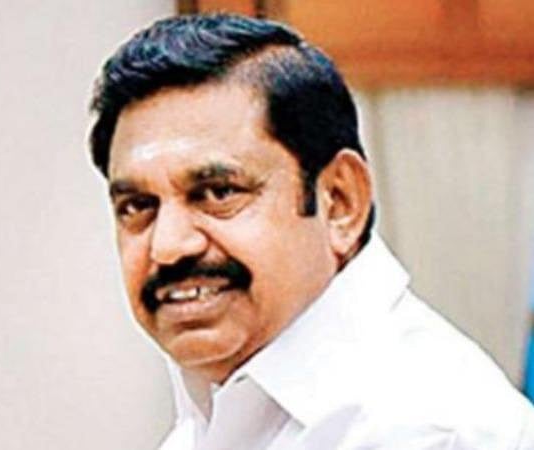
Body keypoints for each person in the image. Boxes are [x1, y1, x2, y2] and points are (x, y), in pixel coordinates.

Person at [88, 13, 534, 450]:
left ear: (340, 202)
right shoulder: (212, 412)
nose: (168, 246)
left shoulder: (434, 431)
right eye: (137, 206)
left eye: (219, 192)